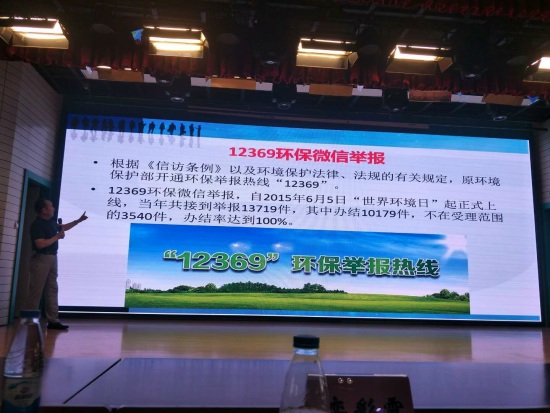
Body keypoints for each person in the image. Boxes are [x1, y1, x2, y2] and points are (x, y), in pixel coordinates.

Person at [26, 199, 87, 330]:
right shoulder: (37, 225)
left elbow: (63, 227)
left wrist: (79, 220)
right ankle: (30, 322)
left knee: (52, 288)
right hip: (41, 258)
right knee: (36, 290)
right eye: (51, 206)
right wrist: (57, 237)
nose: (53, 208)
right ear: (44, 210)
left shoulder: (51, 222)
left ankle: (53, 320)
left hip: (53, 257)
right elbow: (40, 244)